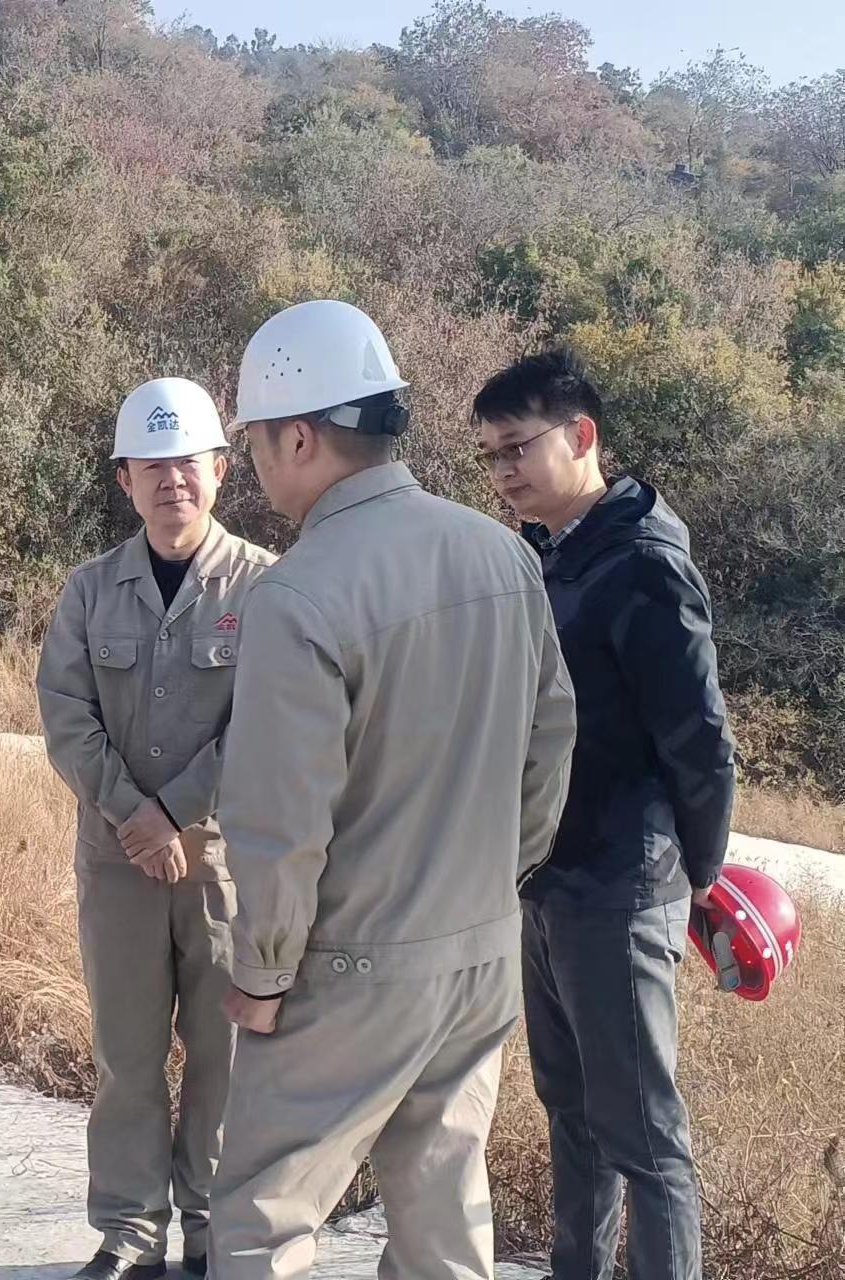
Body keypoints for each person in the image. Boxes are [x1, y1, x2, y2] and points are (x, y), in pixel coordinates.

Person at [208, 300, 577, 1280]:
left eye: (253, 439)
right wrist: (496, 878)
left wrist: (261, 971)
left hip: (349, 967)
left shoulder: (298, 591)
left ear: (296, 436)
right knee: (442, 1223)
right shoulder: (501, 551)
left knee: (261, 1219)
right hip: (479, 953)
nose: (252, 459)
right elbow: (551, 738)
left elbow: (277, 821)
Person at [473, 348, 735, 1280]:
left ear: (580, 435)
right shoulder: (552, 553)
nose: (503, 471)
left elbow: (700, 740)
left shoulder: (643, 564)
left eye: (517, 447)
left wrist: (699, 876)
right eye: (489, 455)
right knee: (572, 1115)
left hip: (622, 882)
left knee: (644, 1136)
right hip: (549, 877)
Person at [37, 378, 276, 1280]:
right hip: (118, 861)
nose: (171, 481)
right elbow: (65, 714)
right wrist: (135, 815)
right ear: (125, 479)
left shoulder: (265, 587)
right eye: (151, 466)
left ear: (220, 470)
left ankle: (212, 1226)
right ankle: (131, 1234)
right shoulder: (91, 589)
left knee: (223, 1053)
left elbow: (267, 720)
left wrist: (175, 810)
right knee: (126, 1056)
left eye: (188, 464)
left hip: (223, 864)